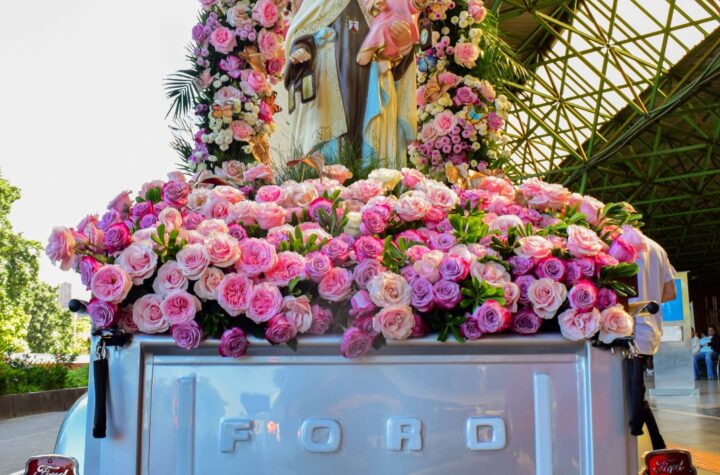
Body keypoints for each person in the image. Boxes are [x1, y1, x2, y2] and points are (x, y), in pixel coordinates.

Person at [284, 0, 418, 169]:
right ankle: (325, 187)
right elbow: (302, 32)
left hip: (374, 90)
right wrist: (302, 49)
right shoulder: (318, 3)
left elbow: (400, 67)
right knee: (328, 161)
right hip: (328, 91)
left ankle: (374, 188)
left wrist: (405, 43)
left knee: (374, 163)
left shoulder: (385, 3)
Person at [627, 231, 677, 451]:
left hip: (626, 327)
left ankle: (650, 443)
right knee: (635, 391)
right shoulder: (658, 249)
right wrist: (651, 295)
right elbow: (670, 293)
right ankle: (658, 445)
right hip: (650, 328)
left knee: (632, 394)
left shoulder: (621, 245)